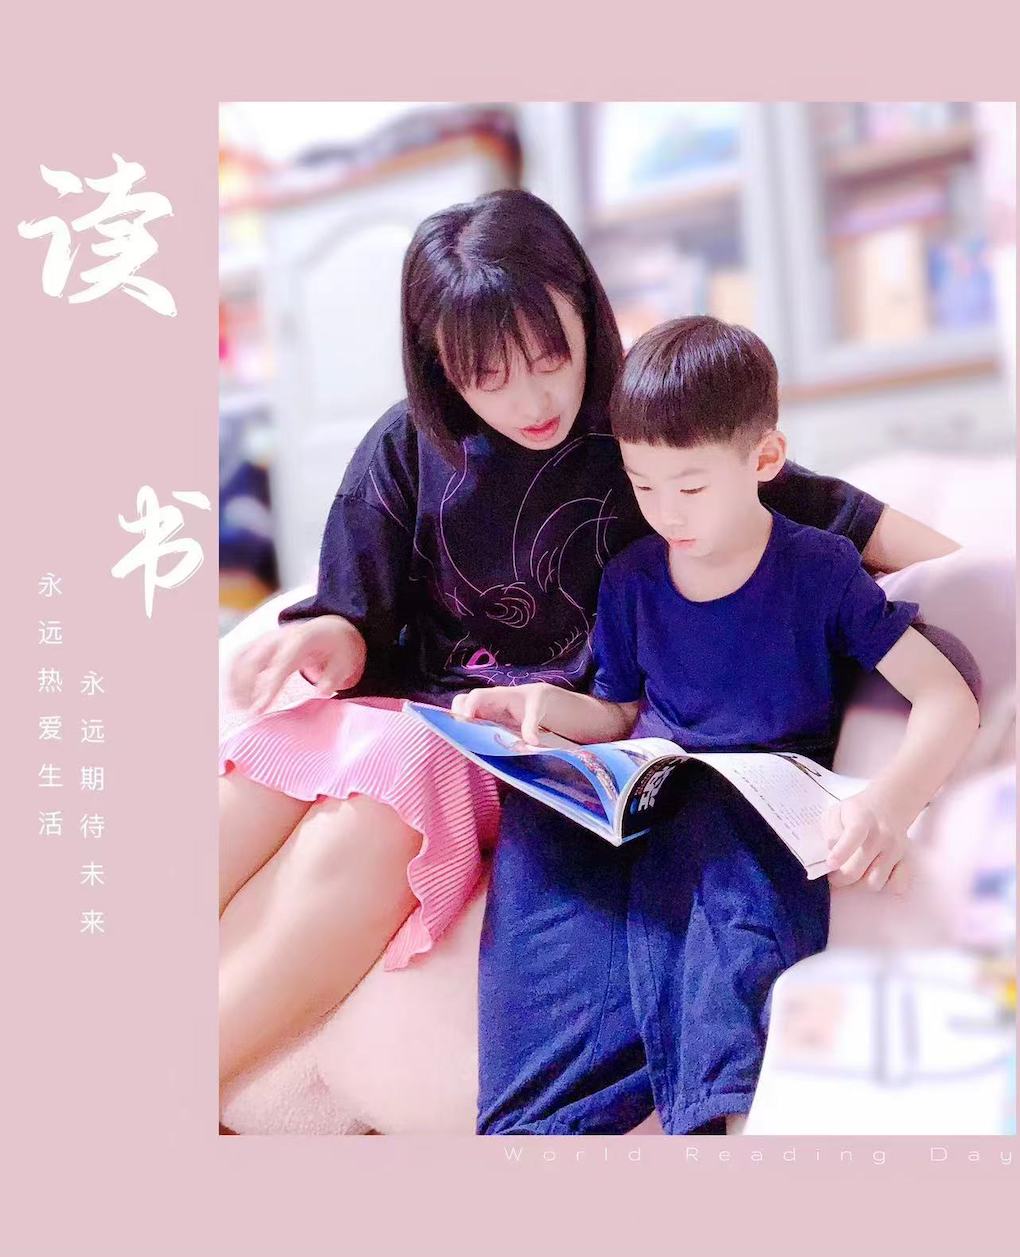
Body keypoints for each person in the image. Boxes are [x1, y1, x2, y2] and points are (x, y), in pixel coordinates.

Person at [218, 190, 961, 1094]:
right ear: (439, 363)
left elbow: (850, 518)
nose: (530, 400)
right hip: (407, 704)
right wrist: (330, 636)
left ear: (584, 306)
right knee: (261, 769)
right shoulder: (408, 445)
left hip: (511, 742)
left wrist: (977, 572)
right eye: (486, 376)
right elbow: (353, 610)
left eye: (550, 358)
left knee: (379, 803)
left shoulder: (645, 430)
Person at [454, 316, 980, 1136]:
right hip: (655, 793)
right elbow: (615, 712)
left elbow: (947, 695)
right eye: (643, 485)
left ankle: (715, 1114)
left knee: (708, 824)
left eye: (690, 488)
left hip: (756, 811)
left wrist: (890, 800)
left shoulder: (818, 569)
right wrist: (542, 707)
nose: (666, 512)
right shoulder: (632, 579)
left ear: (765, 459)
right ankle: (534, 1120)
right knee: (538, 818)